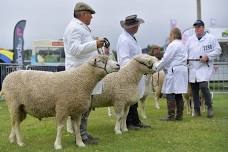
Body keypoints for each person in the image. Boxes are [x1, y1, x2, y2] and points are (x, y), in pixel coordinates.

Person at [63, 2, 106, 144]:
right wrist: (94, 44)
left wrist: (97, 46)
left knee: (86, 105)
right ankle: (80, 136)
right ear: (82, 14)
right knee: (80, 106)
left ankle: (83, 133)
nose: (91, 17)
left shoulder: (81, 28)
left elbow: (84, 48)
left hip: (86, 75)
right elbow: (75, 50)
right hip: (78, 74)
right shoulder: (74, 28)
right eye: (90, 14)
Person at [116, 14, 151, 129]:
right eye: (136, 25)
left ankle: (135, 121)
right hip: (128, 75)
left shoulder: (131, 38)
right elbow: (124, 59)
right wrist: (137, 66)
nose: (138, 27)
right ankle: (129, 122)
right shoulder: (124, 40)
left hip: (135, 74)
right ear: (130, 27)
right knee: (129, 99)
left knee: (134, 98)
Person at [186, 20, 221, 118]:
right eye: (195, 27)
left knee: (204, 86)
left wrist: (208, 56)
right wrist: (185, 59)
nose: (197, 29)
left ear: (203, 27)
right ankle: (197, 111)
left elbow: (218, 50)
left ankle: (209, 107)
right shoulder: (190, 39)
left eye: (199, 27)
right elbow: (185, 52)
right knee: (194, 90)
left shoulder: (211, 38)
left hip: (204, 67)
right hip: (193, 67)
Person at [155, 27, 188, 121]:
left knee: (170, 92)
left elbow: (166, 59)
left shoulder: (173, 45)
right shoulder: (182, 44)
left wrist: (156, 68)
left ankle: (171, 116)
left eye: (170, 35)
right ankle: (179, 115)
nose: (169, 37)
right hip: (182, 70)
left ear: (173, 35)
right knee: (178, 93)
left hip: (175, 70)